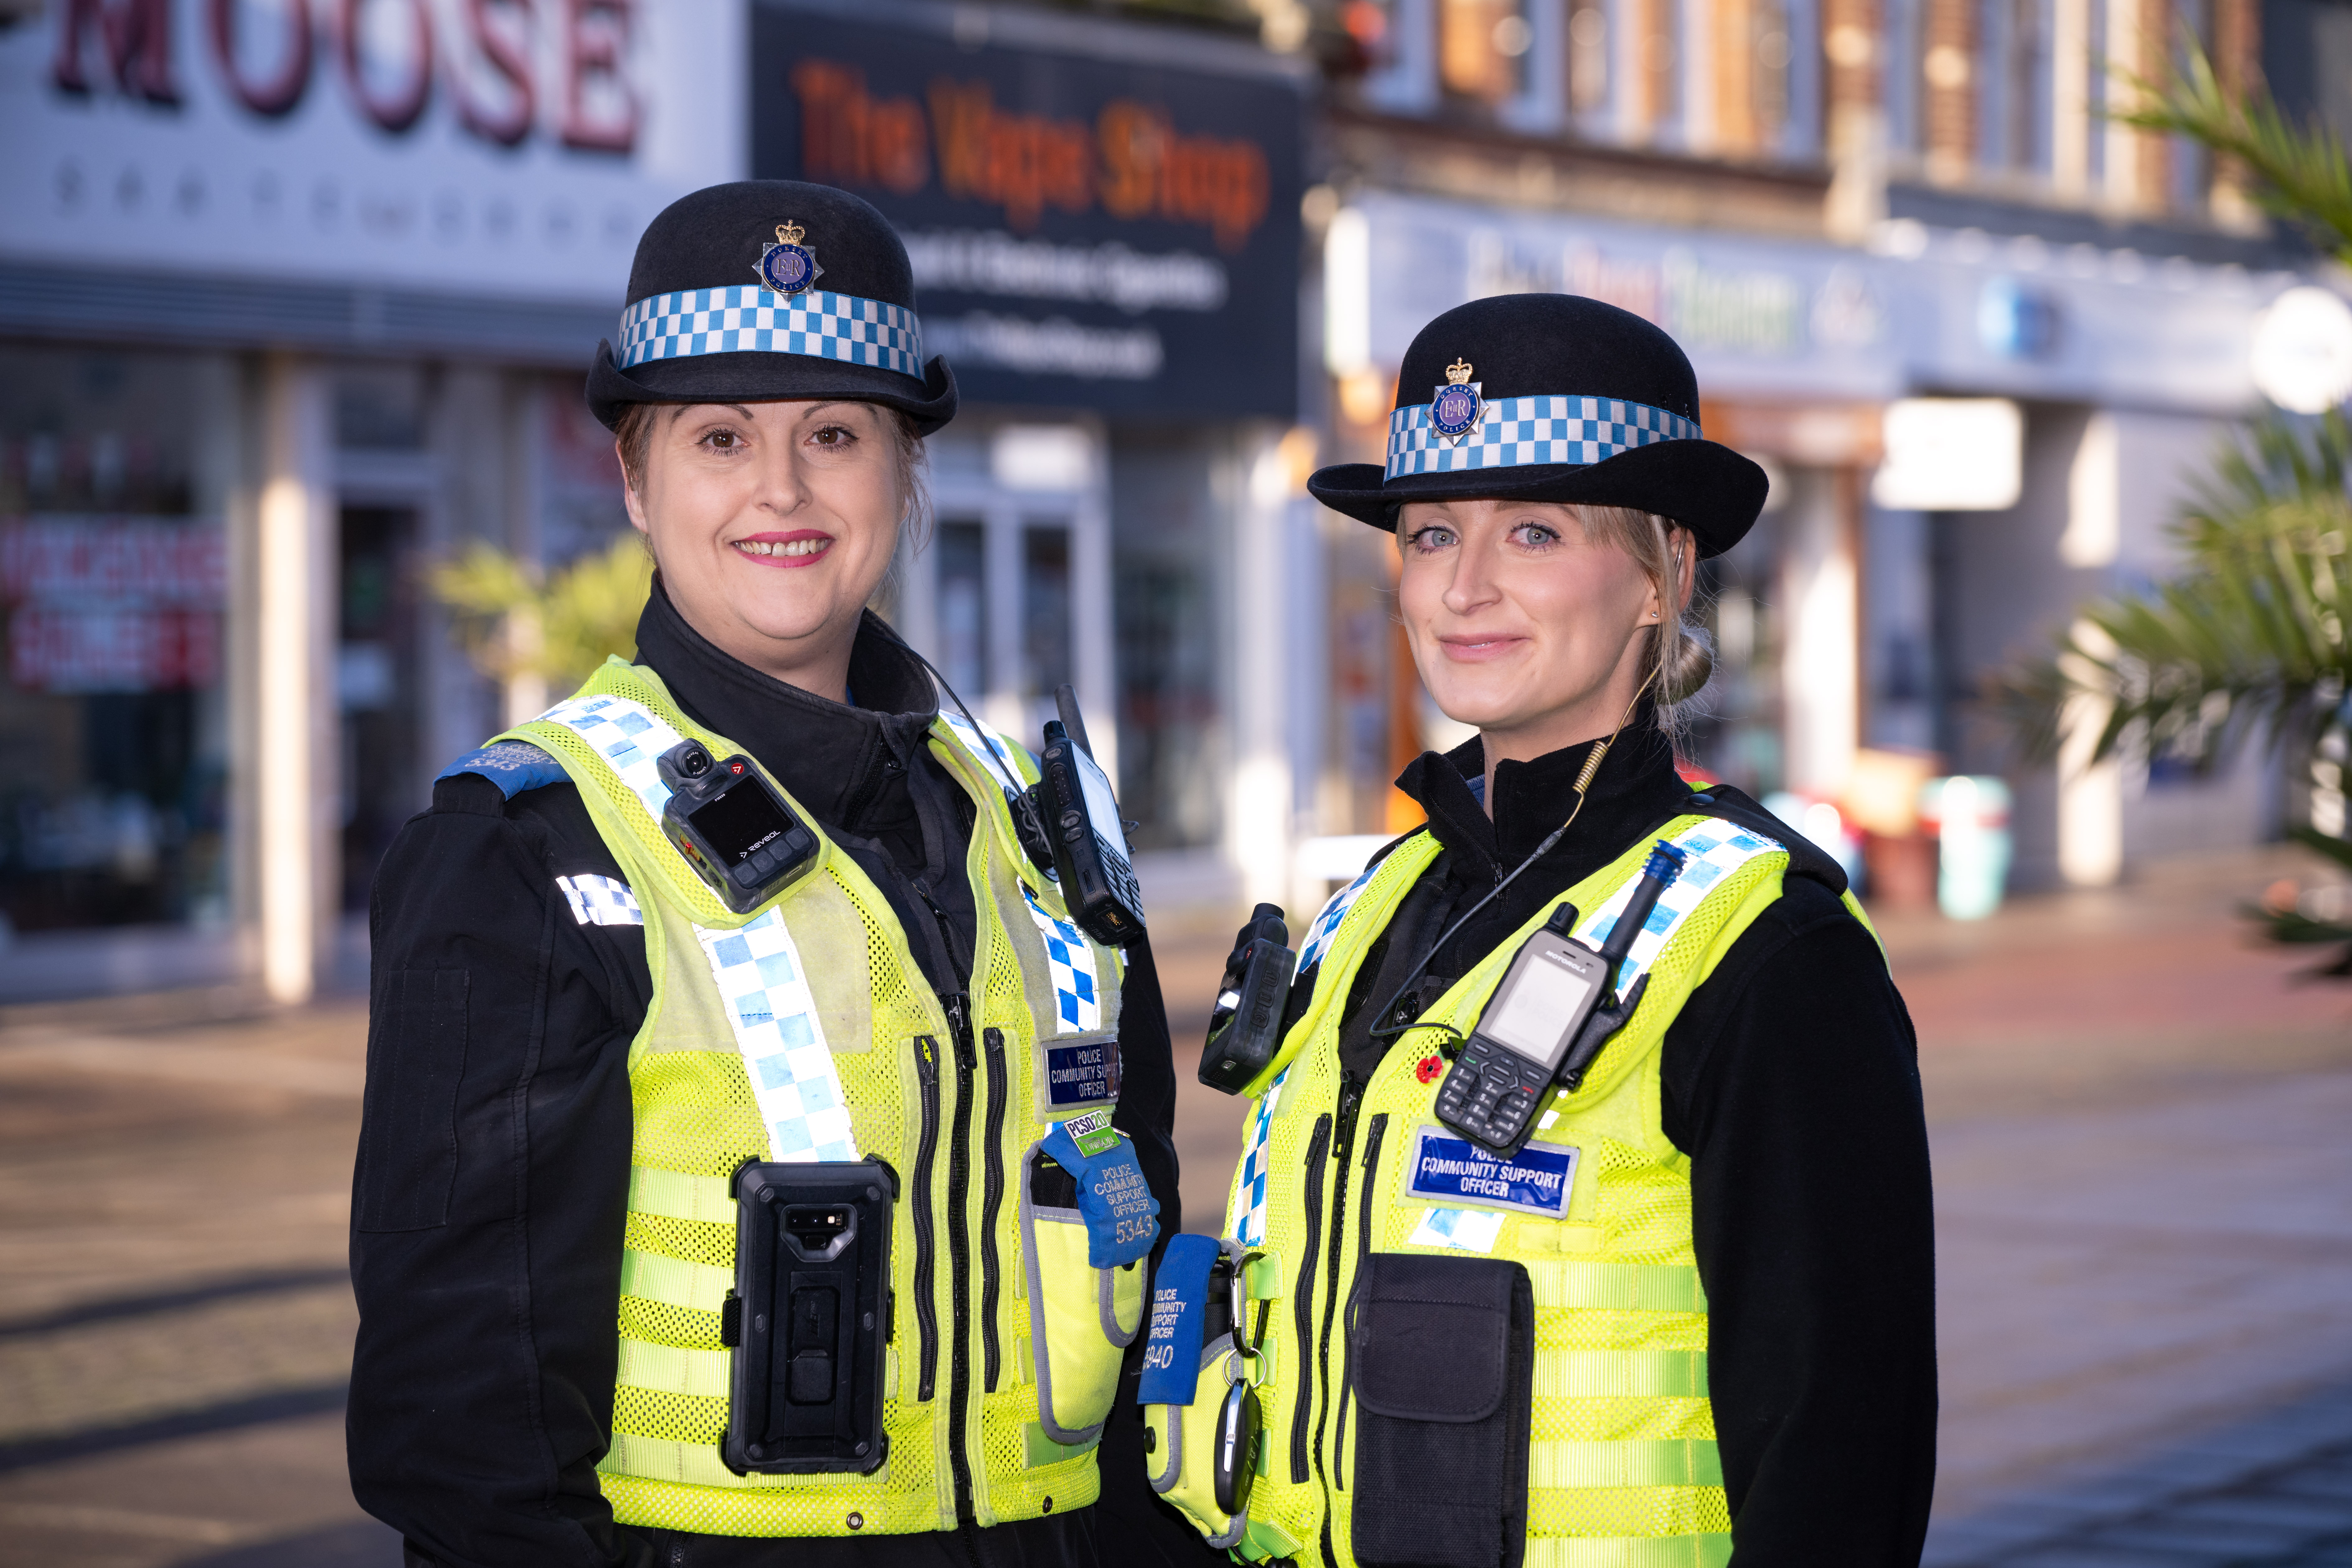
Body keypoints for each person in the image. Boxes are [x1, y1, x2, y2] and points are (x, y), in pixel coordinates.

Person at [349, 181, 1210, 1568]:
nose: (783, 490)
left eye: (835, 434)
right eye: (720, 437)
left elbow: (1130, 1251)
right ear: (635, 480)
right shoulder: (523, 845)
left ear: (903, 472)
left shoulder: (1033, 839)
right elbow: (464, 1436)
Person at [1158, 295, 1935, 1566]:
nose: (1465, 589)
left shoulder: (1765, 949)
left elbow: (1839, 1452)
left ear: (1663, 574)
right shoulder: (1373, 906)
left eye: (1533, 532)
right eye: (1429, 535)